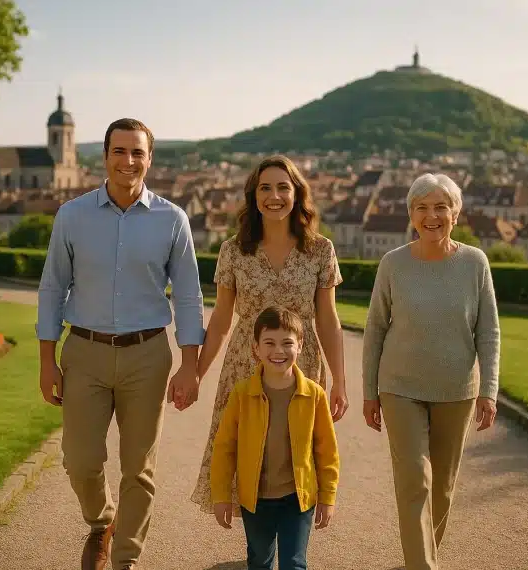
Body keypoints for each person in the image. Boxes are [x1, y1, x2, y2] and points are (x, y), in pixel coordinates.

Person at [36, 118, 205, 570]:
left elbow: (189, 295)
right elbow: (52, 288)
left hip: (147, 354)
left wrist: (190, 365)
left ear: (149, 159)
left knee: (139, 468)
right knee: (81, 460)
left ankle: (125, 558)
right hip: (84, 352)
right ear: (105, 156)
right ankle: (101, 521)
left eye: (137, 153)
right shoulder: (72, 215)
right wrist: (46, 361)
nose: (128, 161)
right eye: (119, 151)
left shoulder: (173, 219)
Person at [190, 154, 348, 516]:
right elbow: (222, 317)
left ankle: (293, 536)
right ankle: (258, 539)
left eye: (282, 187)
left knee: (296, 448)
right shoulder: (234, 249)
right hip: (246, 361)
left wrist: (339, 381)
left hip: (301, 362)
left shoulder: (320, 250)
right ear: (253, 195)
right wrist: (197, 371)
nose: (273, 196)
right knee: (245, 447)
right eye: (265, 188)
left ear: (297, 194)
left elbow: (327, 319)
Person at [361, 173, 501, 570]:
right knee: (414, 480)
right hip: (399, 387)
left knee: (442, 488)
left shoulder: (475, 263)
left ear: (455, 213)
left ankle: (422, 557)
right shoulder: (393, 264)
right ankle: (423, 566)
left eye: (441, 206)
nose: (432, 215)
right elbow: (374, 330)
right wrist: (370, 392)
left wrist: (489, 390)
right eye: (422, 207)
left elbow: (488, 331)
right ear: (411, 215)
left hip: (457, 390)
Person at [211, 306, 340, 570]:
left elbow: (327, 451)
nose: (278, 351)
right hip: (256, 499)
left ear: (301, 346)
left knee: (294, 563)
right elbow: (225, 448)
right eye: (269, 342)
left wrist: (328, 497)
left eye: (287, 343)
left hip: (298, 498)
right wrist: (221, 494)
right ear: (256, 348)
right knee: (259, 561)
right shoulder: (242, 394)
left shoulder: (315, 396)